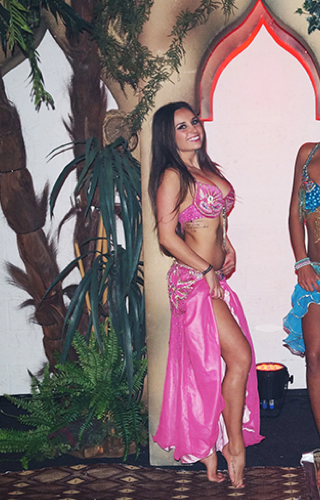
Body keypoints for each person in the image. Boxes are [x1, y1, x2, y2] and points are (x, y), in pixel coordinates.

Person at [149, 101, 261, 488]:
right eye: (181, 126)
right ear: (168, 135)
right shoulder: (171, 176)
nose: (192, 129)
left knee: (216, 367)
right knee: (239, 357)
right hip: (193, 280)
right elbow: (167, 237)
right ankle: (233, 445)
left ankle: (215, 446)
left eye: (193, 121)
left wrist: (226, 245)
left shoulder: (206, 170)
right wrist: (206, 267)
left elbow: (212, 222)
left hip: (211, 279)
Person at [284, 141, 320, 444]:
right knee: (315, 356)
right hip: (315, 275)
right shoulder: (308, 154)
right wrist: (302, 261)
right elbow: (296, 213)